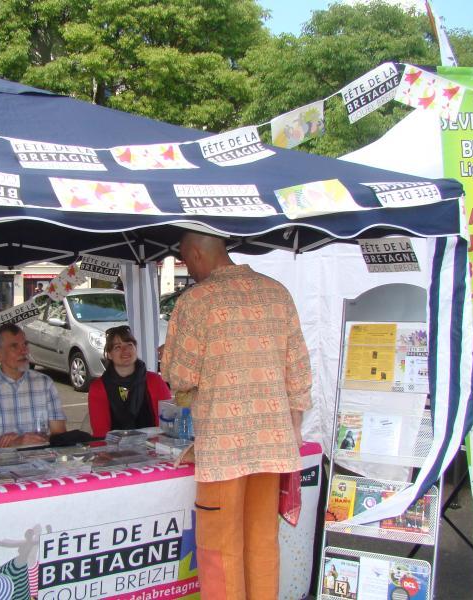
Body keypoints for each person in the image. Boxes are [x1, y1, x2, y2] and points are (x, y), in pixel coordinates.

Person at [161, 231, 311, 600]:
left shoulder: (196, 301)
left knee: (220, 549)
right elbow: (299, 372)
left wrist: (171, 361)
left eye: (186, 260)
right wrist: (294, 429)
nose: (188, 269)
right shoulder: (277, 293)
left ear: (197, 254)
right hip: (273, 445)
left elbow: (180, 375)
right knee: (262, 543)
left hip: (223, 449)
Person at [0, 323, 67, 452]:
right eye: (14, 346)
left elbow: (60, 434)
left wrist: (36, 440)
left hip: (42, 460)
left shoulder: (45, 383)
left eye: (25, 344)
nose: (23, 351)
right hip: (1, 462)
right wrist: (12, 444)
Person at [88, 325, 172, 438]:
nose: (125, 350)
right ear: (109, 355)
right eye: (117, 347)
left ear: (135, 348)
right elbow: (101, 433)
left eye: (129, 345)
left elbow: (166, 426)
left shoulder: (155, 381)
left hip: (153, 446)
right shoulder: (98, 388)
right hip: (113, 447)